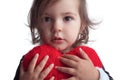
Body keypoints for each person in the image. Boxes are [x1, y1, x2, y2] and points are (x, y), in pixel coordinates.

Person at [14, 0, 113, 80]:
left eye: (67, 18)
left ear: (82, 25)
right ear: (37, 24)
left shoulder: (86, 59)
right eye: (47, 19)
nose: (57, 27)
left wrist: (96, 76)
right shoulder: (32, 62)